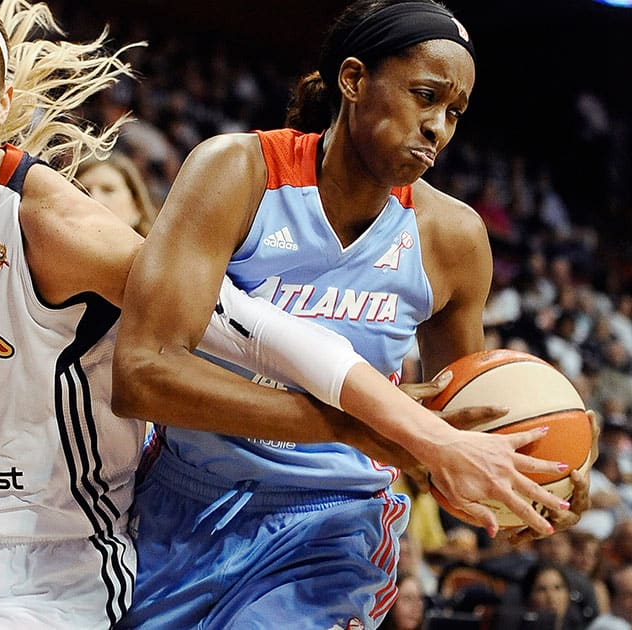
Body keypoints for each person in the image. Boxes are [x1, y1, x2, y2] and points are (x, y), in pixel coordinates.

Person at [0, 1, 585, 627]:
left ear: (3, 101)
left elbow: (243, 325)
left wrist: (428, 441)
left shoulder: (56, 222)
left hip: (49, 557)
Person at [112, 1, 593, 628]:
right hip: (179, 504)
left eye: (454, 113)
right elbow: (141, 375)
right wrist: (345, 425)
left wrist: (523, 487)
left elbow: (453, 430)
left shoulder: (452, 238)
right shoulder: (237, 173)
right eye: (425, 96)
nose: (439, 128)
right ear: (354, 80)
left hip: (335, 522)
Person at [76, 151, 159, 236]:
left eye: (108, 190)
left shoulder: (161, 248)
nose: (95, 199)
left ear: (136, 204)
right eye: (83, 191)